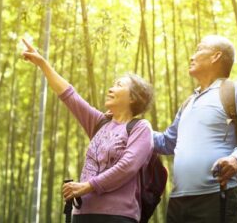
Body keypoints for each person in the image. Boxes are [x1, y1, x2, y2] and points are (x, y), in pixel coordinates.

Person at [21, 38, 154, 223]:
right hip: (82, 214)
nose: (110, 88)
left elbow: (128, 166)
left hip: (117, 216)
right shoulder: (99, 123)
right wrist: (43, 64)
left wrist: (87, 186)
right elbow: (69, 95)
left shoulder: (140, 128)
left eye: (119, 85)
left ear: (133, 97)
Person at [153, 35, 237, 223]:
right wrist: (128, 127)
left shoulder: (235, 90)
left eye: (199, 49)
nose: (191, 57)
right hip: (177, 201)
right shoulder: (188, 102)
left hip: (216, 196)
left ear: (216, 56)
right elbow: (166, 142)